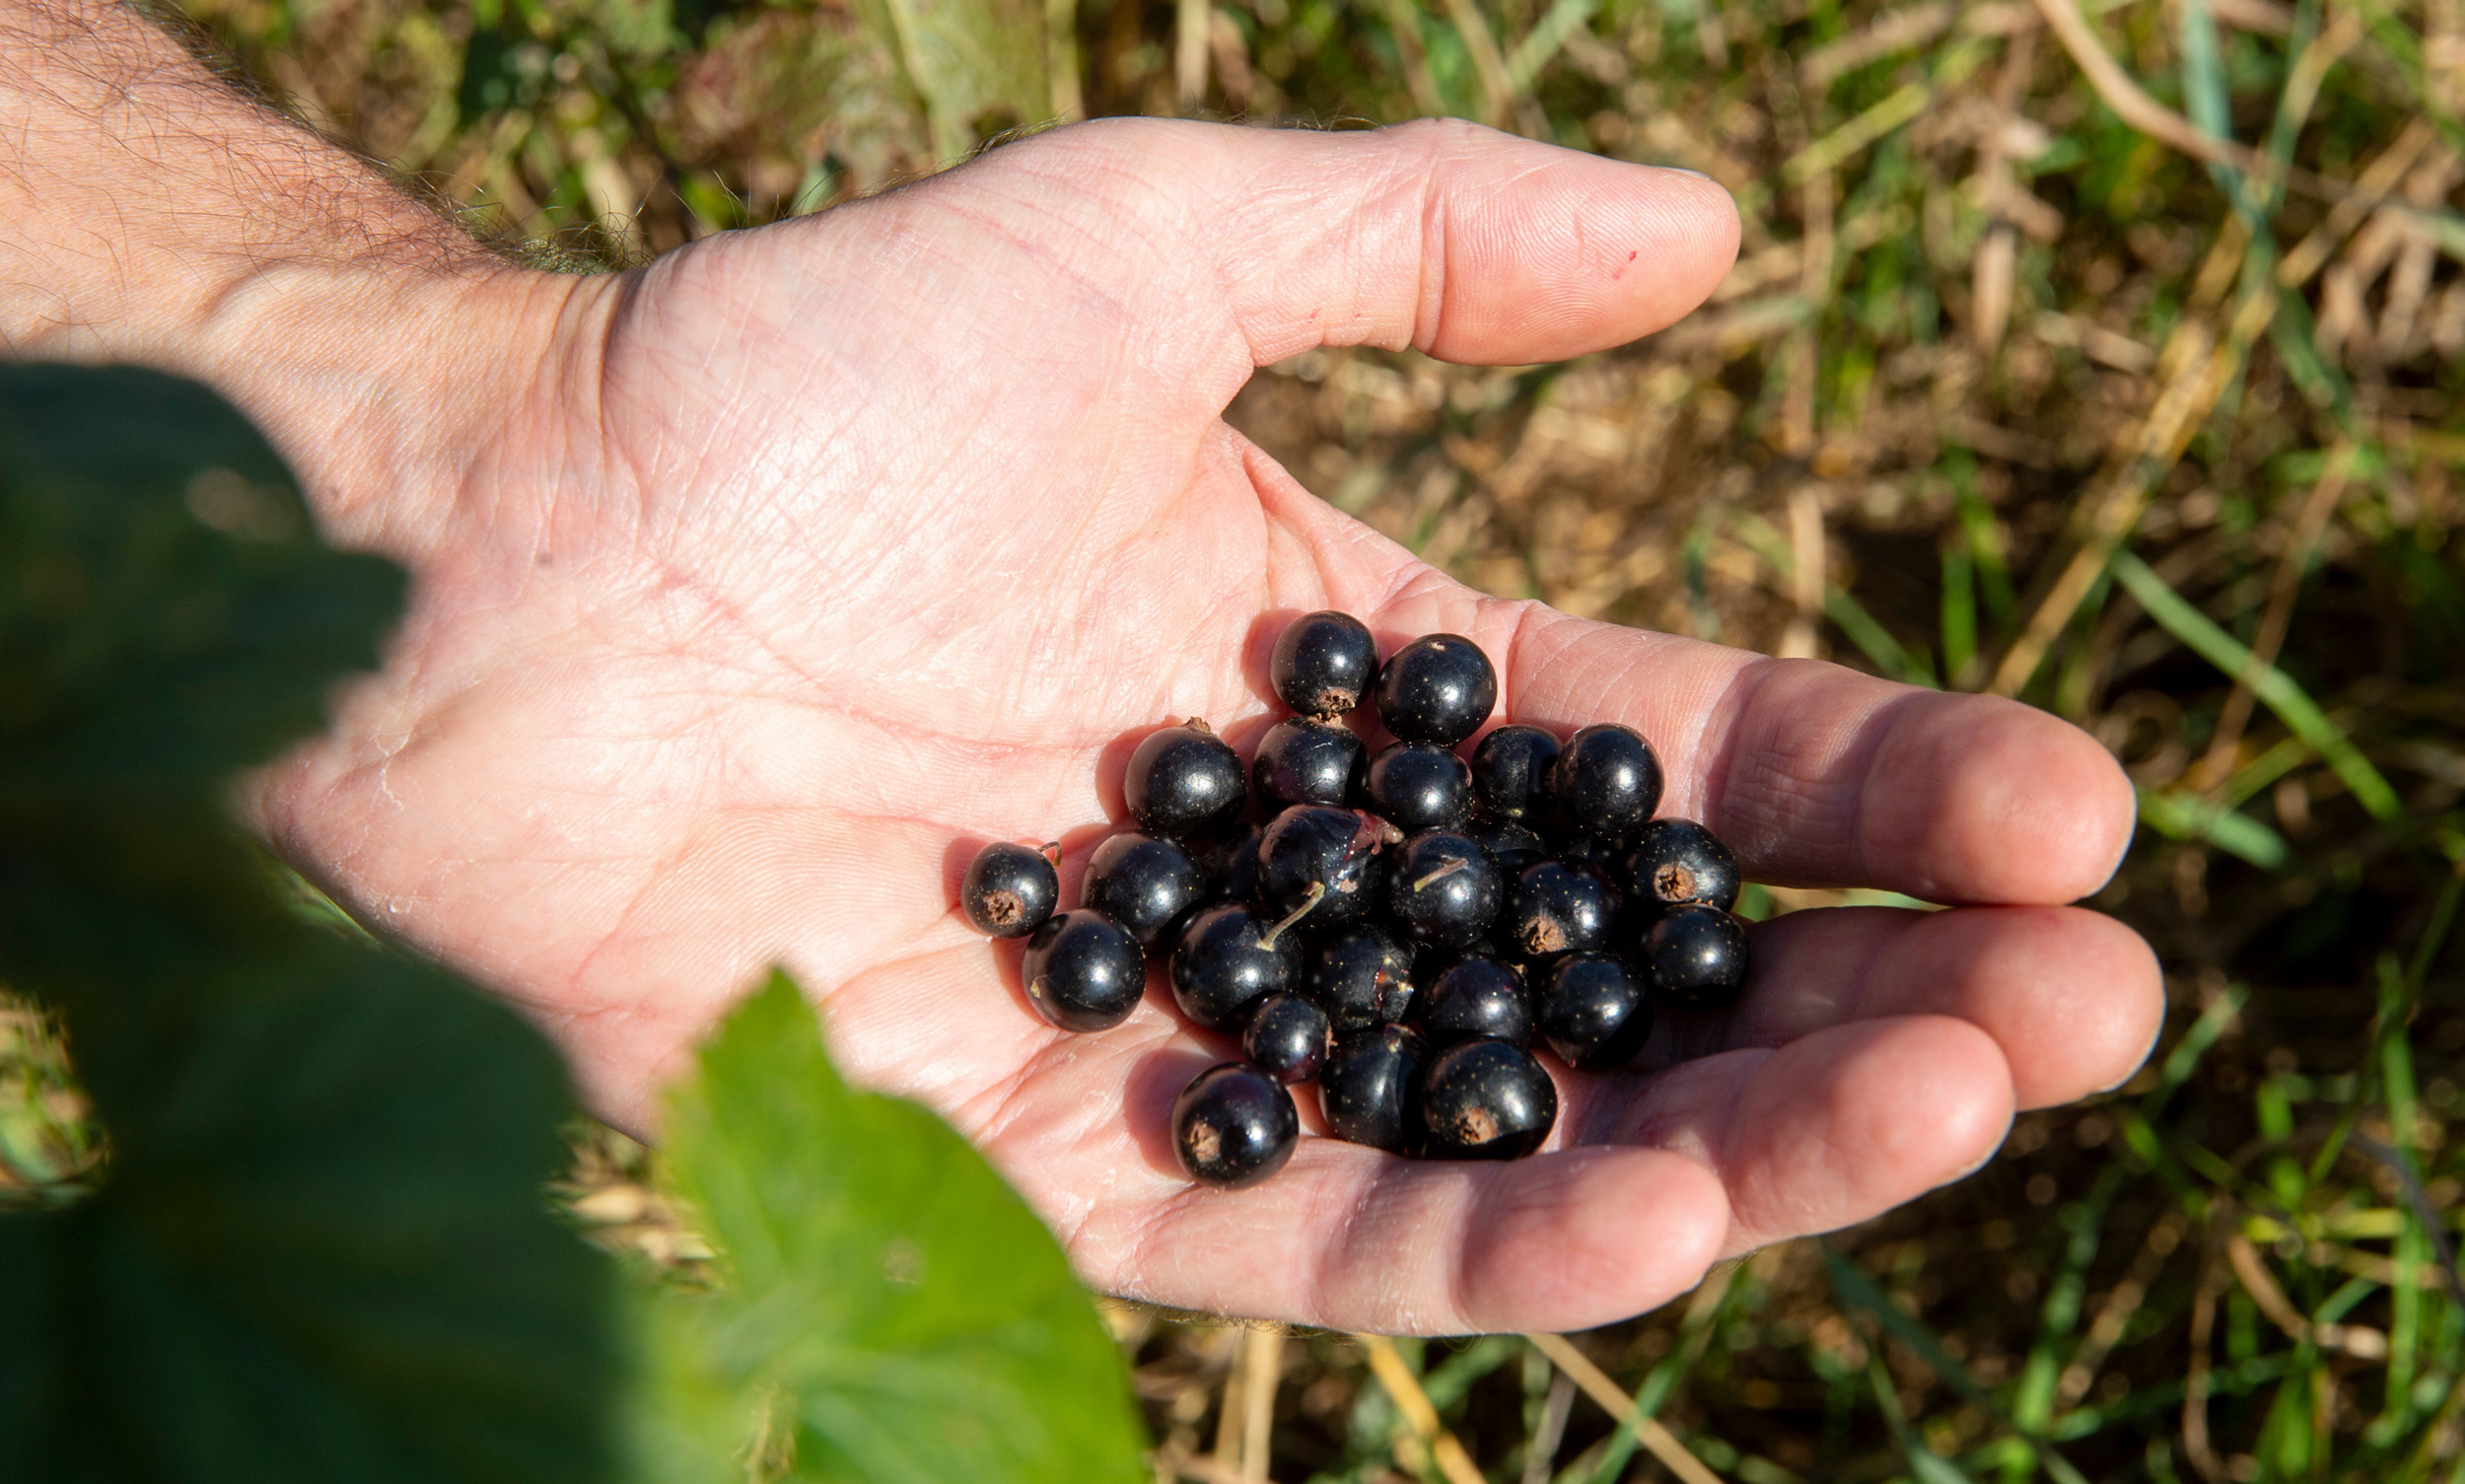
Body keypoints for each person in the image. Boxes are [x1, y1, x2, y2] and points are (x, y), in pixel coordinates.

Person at [1, 0, 2163, 1334]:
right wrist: (455, 437)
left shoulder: (1376, 884)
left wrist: (399, 422)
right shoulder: (1278, 872)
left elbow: (1404, 939)